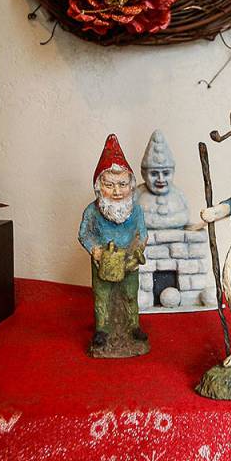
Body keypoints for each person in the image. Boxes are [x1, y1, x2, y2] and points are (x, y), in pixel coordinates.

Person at [78, 134, 149, 357]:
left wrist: (137, 250)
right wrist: (95, 250)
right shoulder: (92, 211)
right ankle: (102, 330)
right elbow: (84, 234)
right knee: (102, 296)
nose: (117, 192)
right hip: (103, 261)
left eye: (122, 185)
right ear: (99, 187)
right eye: (109, 185)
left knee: (130, 293)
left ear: (131, 185)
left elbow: (142, 233)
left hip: (128, 260)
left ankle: (133, 326)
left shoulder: (135, 210)